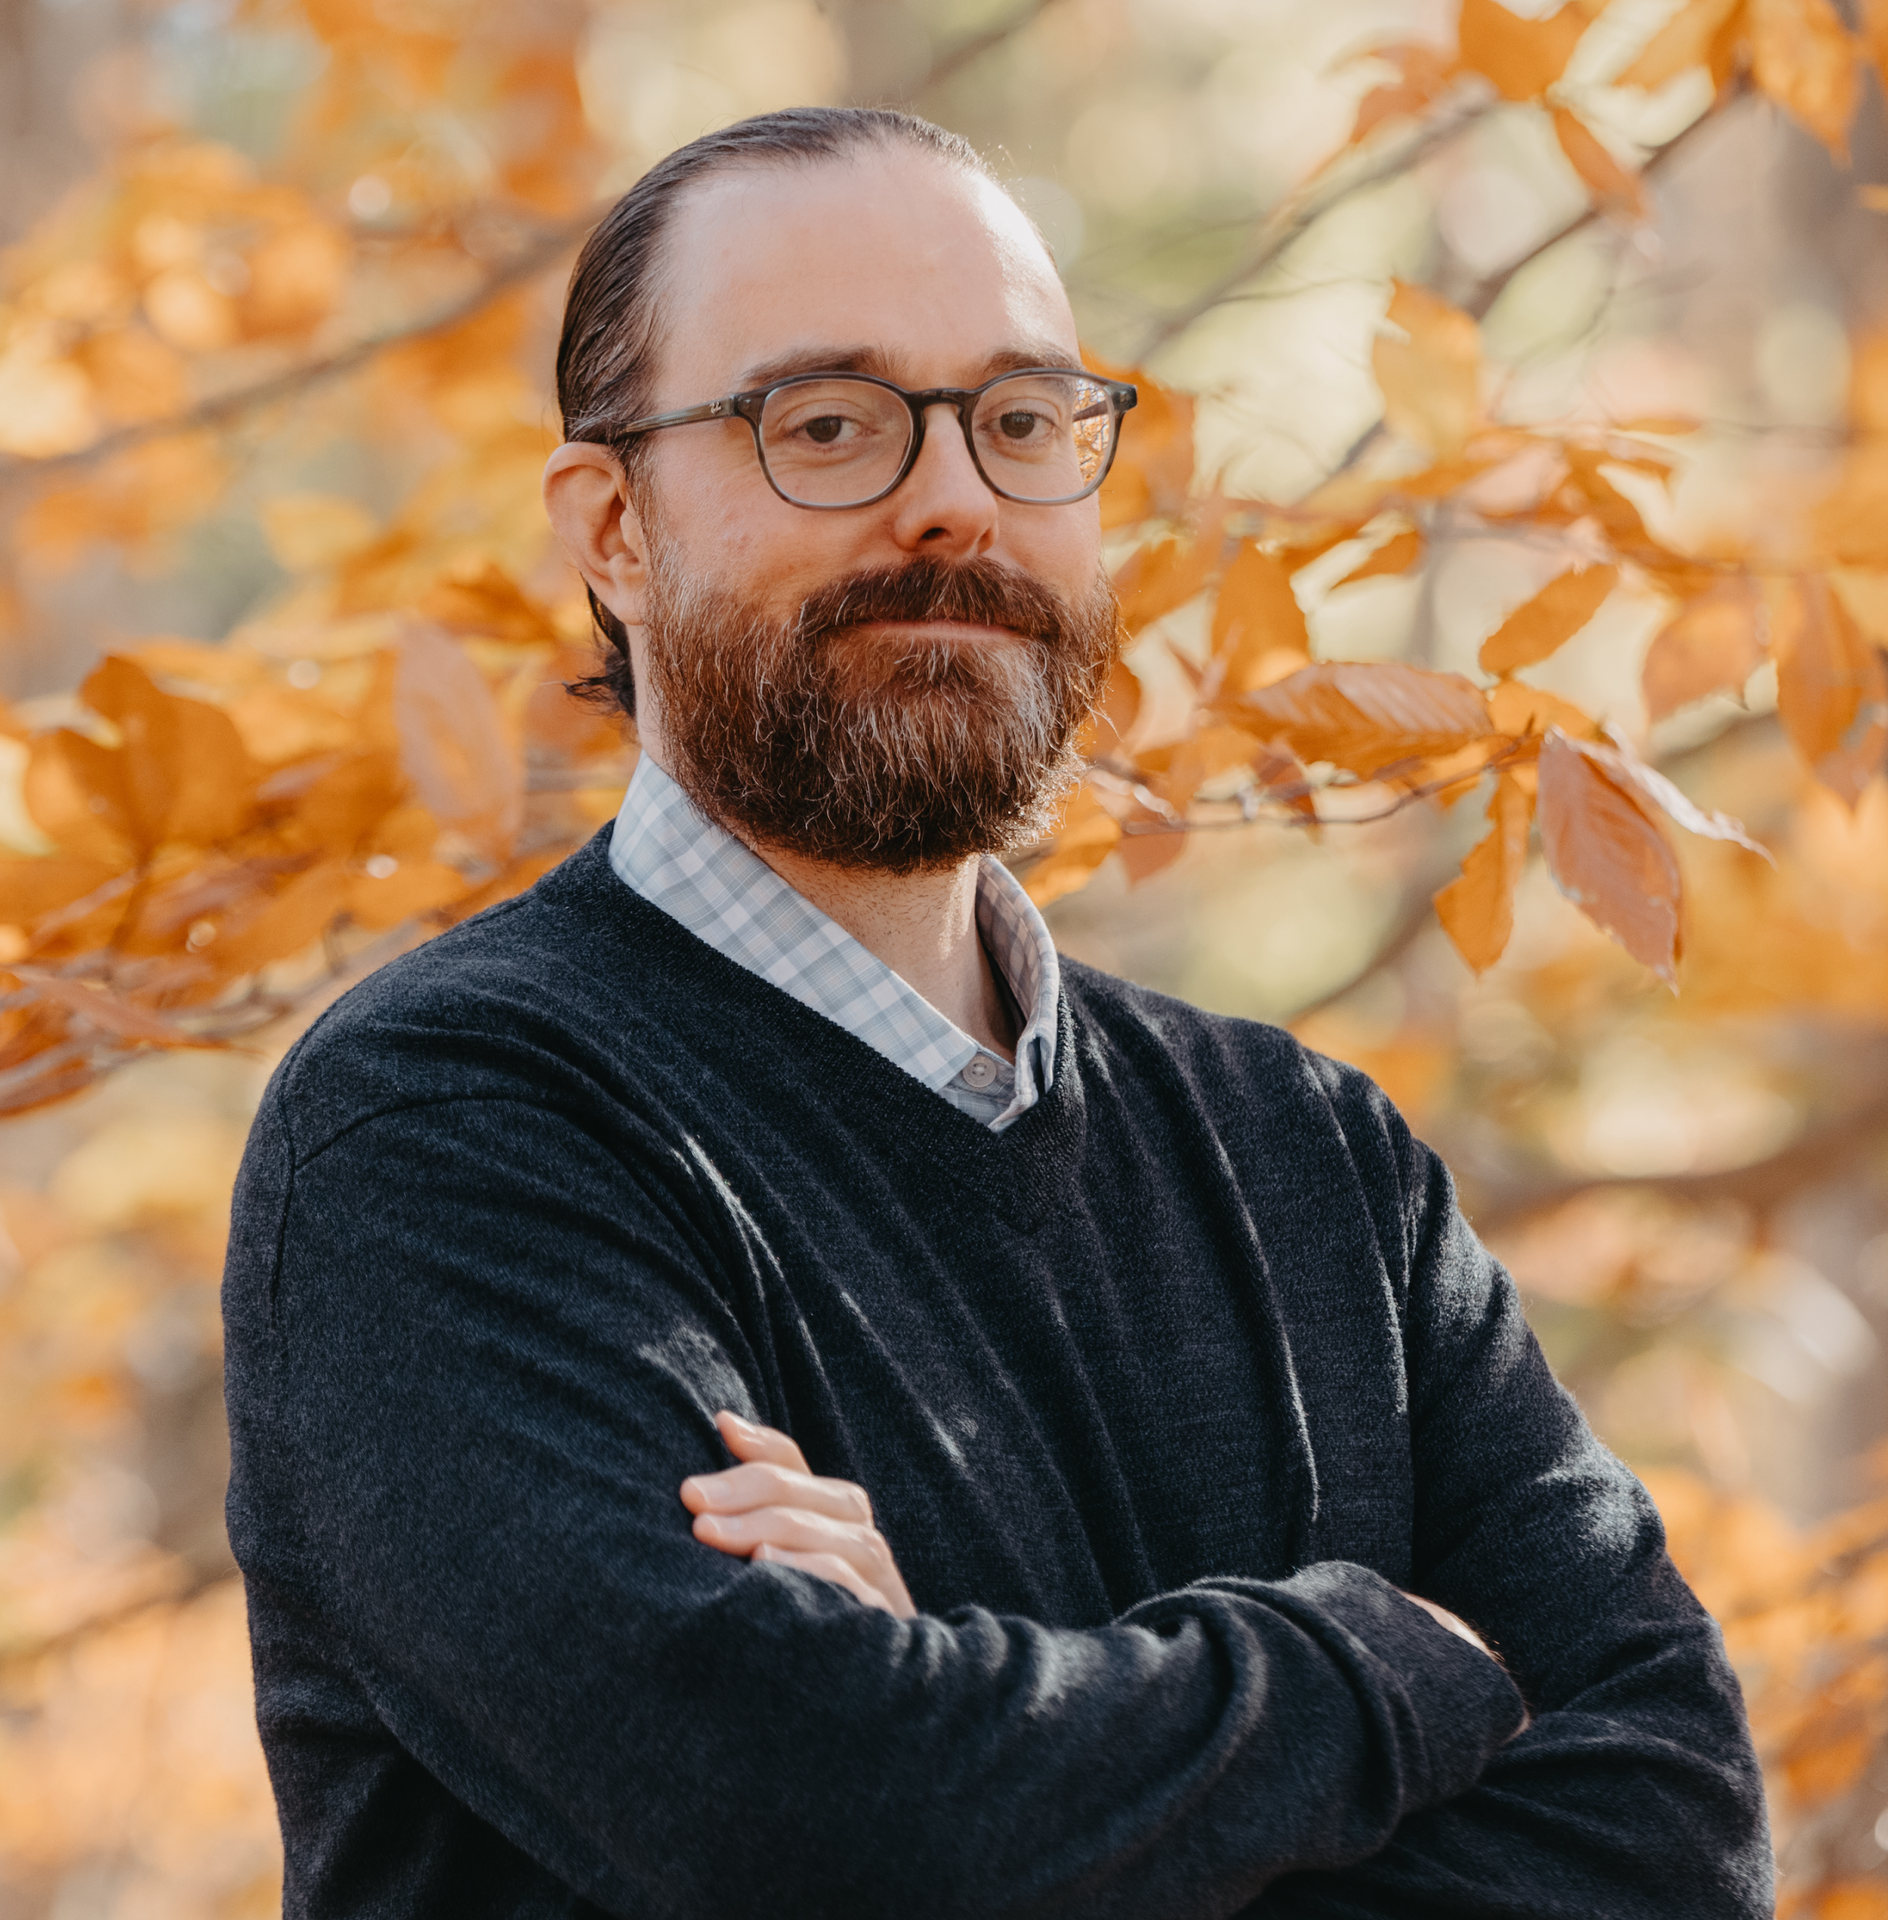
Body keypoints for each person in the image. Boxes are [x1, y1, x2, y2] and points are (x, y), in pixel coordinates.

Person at [222, 106, 1771, 1918]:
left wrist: (958, 1732)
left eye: (1023, 421)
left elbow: (1678, 1831)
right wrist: (1382, 1661)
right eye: (827, 425)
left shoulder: (1316, 1160)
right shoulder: (448, 1131)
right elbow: (799, 1819)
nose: (954, 498)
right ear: (616, 531)